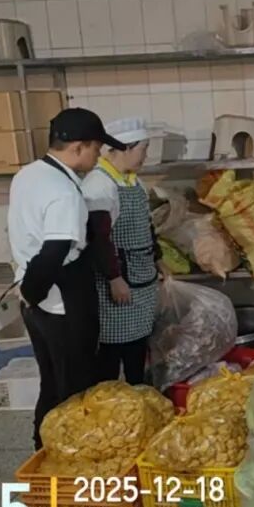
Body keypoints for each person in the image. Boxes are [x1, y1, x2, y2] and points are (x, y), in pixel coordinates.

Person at [7, 107, 125, 448]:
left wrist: (28, 294)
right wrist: (34, 292)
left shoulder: (28, 174)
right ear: (78, 147)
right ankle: (68, 456)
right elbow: (54, 252)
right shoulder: (64, 192)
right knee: (74, 386)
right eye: (96, 149)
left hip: (34, 294)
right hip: (58, 297)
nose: (99, 156)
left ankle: (42, 448)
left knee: (51, 380)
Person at [82, 117, 166, 386]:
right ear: (126, 148)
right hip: (118, 282)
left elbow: (146, 226)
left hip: (140, 279)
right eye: (143, 149)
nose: (145, 156)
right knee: (114, 350)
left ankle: (138, 396)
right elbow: (98, 238)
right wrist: (114, 278)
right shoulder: (99, 184)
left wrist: (158, 261)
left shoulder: (133, 181)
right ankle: (111, 402)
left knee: (137, 346)